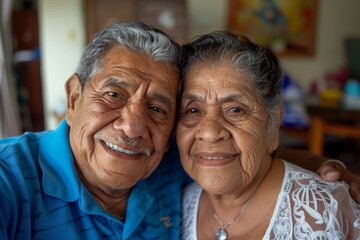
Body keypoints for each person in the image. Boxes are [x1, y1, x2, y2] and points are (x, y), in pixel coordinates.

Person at [0, 22, 358, 239]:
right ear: (74, 97)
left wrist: (322, 166)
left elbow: (237, 157)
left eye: (157, 108)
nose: (133, 126)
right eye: (113, 94)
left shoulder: (165, 165)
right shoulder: (11, 179)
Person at [178, 31, 360, 239]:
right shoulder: (175, 203)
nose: (210, 133)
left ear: (274, 123)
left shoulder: (322, 215)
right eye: (192, 110)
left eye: (235, 109)